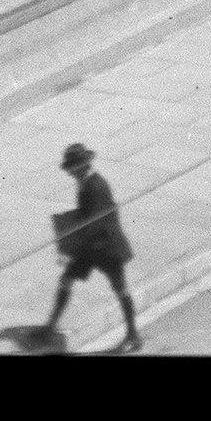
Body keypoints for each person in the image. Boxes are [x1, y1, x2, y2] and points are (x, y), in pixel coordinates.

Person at [44, 142, 142, 352]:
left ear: (83, 166)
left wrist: (68, 250)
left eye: (74, 168)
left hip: (107, 247)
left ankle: (133, 336)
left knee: (120, 288)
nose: (70, 173)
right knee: (66, 280)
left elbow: (94, 223)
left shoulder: (95, 186)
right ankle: (50, 327)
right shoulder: (86, 184)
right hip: (92, 246)